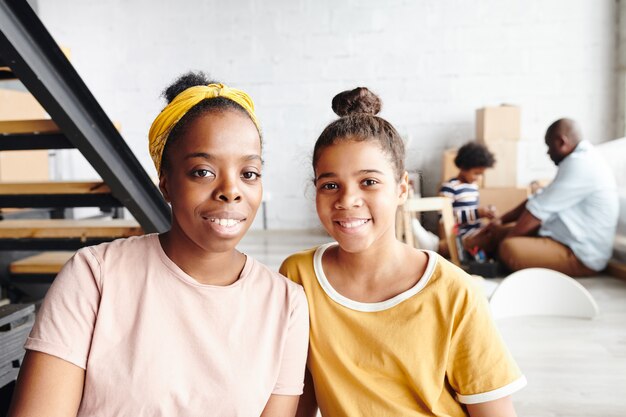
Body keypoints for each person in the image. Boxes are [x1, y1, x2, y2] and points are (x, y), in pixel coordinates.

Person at [8, 72, 309, 417]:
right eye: (203, 171)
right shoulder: (94, 275)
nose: (231, 189)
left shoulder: (286, 305)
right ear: (165, 184)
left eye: (249, 173)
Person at [280, 87, 525, 417]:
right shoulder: (299, 276)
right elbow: (298, 398)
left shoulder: (454, 291)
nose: (347, 199)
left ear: (402, 188)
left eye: (369, 182)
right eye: (330, 184)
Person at [464, 118, 619, 276]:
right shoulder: (578, 159)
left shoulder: (582, 164)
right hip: (559, 236)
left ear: (561, 142)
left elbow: (537, 211)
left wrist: (505, 240)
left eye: (549, 146)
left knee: (508, 247)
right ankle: (459, 249)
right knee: (497, 232)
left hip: (580, 254)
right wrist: (501, 220)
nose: (548, 152)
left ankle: (493, 260)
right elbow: (538, 199)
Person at [412, 142, 497, 255]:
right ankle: (437, 246)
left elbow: (474, 213)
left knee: (496, 230)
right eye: (476, 173)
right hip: (461, 234)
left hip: (476, 230)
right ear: (463, 167)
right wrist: (478, 213)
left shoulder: (473, 187)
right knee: (485, 239)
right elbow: (445, 219)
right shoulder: (449, 187)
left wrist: (487, 213)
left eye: (482, 174)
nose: (479, 178)